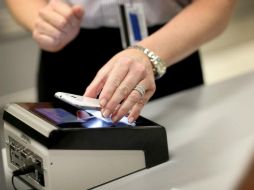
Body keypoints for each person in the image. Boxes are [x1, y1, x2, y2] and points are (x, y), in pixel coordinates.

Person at [5, 0, 236, 123]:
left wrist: (149, 55)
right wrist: (42, 21)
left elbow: (217, 4)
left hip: (170, 47)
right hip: (67, 47)